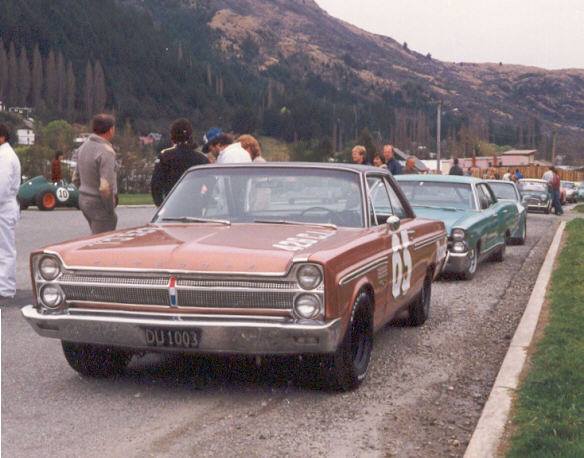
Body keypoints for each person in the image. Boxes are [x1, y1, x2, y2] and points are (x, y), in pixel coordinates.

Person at [73, 114, 118, 234]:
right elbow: (105, 187)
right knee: (103, 243)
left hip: (83, 199)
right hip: (99, 203)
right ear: (110, 130)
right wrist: (110, 208)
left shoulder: (83, 147)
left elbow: (75, 178)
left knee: (94, 236)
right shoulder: (106, 151)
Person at [151, 119, 209, 207]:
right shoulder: (202, 158)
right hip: (195, 206)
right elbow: (210, 183)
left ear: (172, 136)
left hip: (171, 206)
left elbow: (156, 184)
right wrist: (203, 201)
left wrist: (160, 204)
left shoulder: (165, 156)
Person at [0, 124, 22, 300]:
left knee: (5, 249)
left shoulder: (5, 156)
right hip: (4, 206)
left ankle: (5, 289)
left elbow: (2, 186)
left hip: (4, 207)